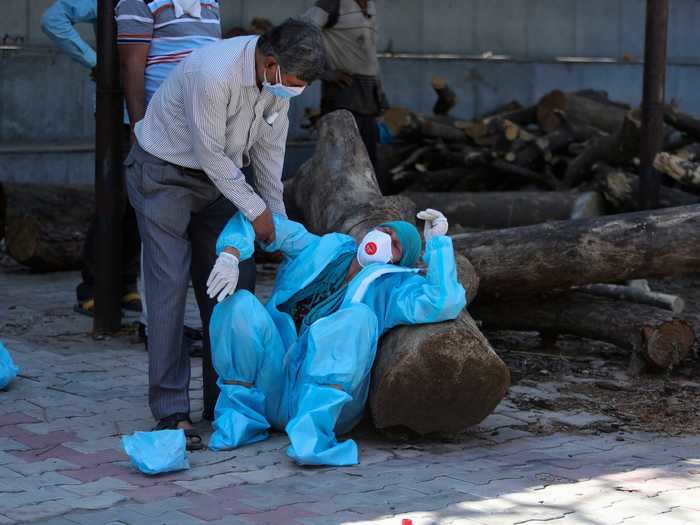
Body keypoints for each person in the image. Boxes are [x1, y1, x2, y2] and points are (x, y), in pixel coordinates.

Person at [124, 20, 325, 449]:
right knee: (169, 287)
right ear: (271, 63)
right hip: (164, 173)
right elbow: (209, 152)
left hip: (223, 181)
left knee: (233, 286)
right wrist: (254, 211)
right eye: (294, 82)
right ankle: (171, 410)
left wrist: (277, 224)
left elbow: (270, 160)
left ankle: (227, 400)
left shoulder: (275, 89)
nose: (296, 91)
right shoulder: (213, 74)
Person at [206, 209, 465, 466]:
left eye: (396, 245)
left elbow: (443, 301)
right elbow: (260, 221)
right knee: (238, 305)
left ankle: (312, 437)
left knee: (357, 316)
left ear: (398, 261)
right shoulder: (320, 248)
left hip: (329, 410)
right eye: (385, 231)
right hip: (273, 387)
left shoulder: (392, 288)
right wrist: (231, 252)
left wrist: (438, 245)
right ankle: (240, 420)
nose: (385, 240)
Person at [116, 0, 223, 348]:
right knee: (160, 240)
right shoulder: (138, 2)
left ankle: (179, 326)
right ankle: (156, 327)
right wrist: (139, 124)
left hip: (204, 131)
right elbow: (131, 64)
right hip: (161, 131)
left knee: (193, 242)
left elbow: (214, 59)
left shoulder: (210, 3)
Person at [41, 0, 142, 316]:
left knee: (141, 202)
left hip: (155, 111)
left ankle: (126, 284)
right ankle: (94, 286)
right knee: (115, 200)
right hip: (120, 114)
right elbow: (52, 18)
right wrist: (96, 61)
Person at [301, 0, 388, 175]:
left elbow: (370, 54)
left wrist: (380, 93)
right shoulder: (333, 3)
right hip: (343, 94)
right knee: (341, 161)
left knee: (369, 162)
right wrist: (324, 72)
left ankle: (369, 202)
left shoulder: (370, 7)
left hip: (369, 97)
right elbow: (302, 31)